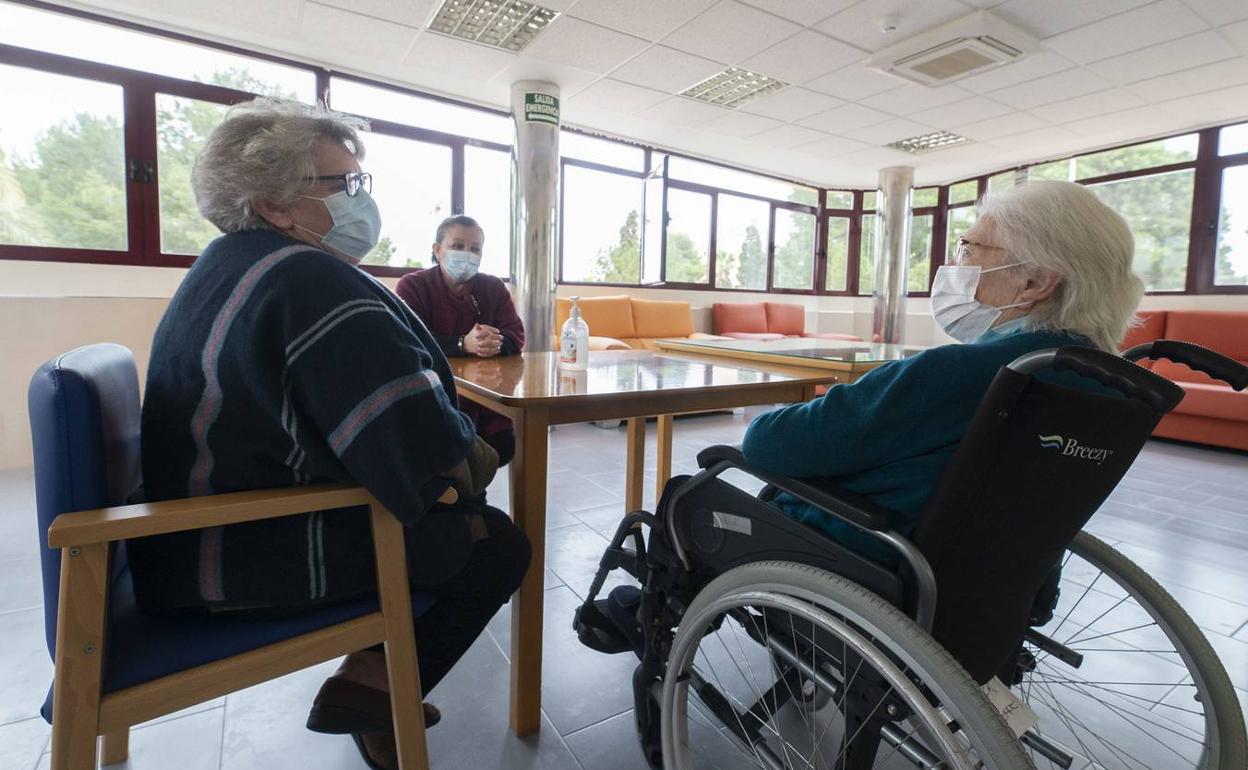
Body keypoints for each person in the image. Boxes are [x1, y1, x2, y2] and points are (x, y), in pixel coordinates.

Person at [128, 98, 530, 770]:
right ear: (276, 203)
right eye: (342, 184)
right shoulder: (309, 279)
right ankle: (380, 690)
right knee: (494, 542)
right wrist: (469, 457)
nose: (357, 200)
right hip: (245, 552)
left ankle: (370, 686)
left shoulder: (226, 264)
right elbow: (415, 447)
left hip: (183, 533)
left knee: (457, 502)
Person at [740, 180, 1143, 560]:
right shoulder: (1109, 387)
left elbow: (768, 444)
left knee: (689, 498)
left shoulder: (959, 373)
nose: (953, 264)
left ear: (1035, 282)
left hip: (862, 557)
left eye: (969, 250)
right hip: (992, 582)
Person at [395, 215, 525, 465]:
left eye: (475, 249)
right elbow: (408, 339)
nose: (467, 254)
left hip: (487, 398)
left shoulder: (493, 288)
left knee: (501, 446)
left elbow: (516, 334)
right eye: (457, 246)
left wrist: (495, 342)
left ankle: (474, 495)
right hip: (435, 398)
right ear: (437, 250)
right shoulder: (413, 286)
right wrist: (462, 344)